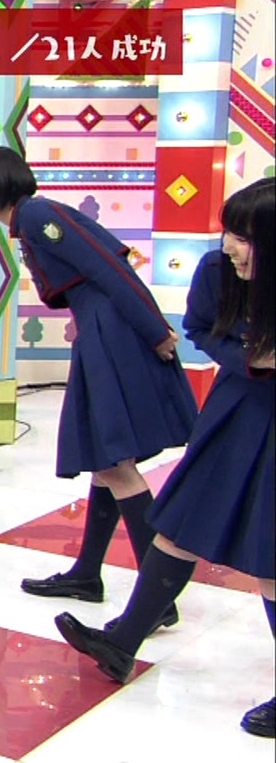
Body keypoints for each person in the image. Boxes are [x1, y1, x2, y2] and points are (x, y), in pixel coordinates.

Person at [54, 177, 274, 739]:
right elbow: (200, 328)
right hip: (236, 407)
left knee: (270, 559)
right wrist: (251, 360)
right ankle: (122, 642)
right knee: (178, 525)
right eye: (229, 232)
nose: (230, 246)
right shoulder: (216, 271)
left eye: (245, 236)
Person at [0, 147, 196, 624]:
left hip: (110, 332)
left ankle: (159, 600)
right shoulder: (29, 221)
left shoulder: (36, 215)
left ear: (1, 182)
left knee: (113, 461)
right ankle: (88, 573)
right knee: (103, 455)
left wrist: (155, 330)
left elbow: (109, 269)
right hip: (98, 328)